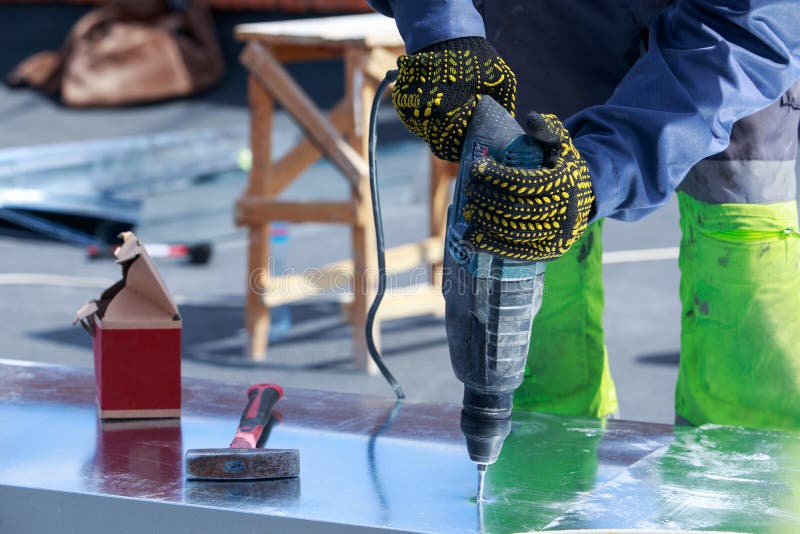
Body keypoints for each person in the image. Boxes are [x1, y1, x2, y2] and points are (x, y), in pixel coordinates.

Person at [367, 0, 800, 430]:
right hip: (544, 16)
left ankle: (743, 462)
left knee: (745, 272)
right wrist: (444, 28)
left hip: (732, 34)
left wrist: (598, 175)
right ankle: (540, 456)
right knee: (522, 215)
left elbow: (750, 29)